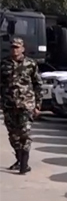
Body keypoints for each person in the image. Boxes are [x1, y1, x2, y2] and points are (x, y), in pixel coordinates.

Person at [0, 37, 42, 174]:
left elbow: (37, 84)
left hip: (26, 104)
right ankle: (19, 159)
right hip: (9, 105)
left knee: (24, 132)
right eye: (12, 47)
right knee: (13, 135)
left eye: (17, 47)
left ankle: (24, 164)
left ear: (23, 49)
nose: (14, 50)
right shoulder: (4, 64)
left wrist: (38, 105)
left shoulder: (30, 64)